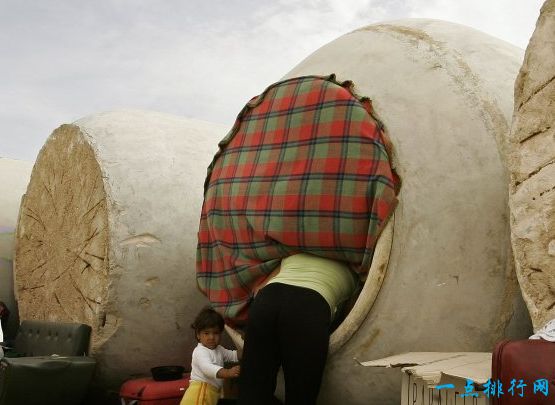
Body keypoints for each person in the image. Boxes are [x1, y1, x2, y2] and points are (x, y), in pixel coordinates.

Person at [237, 253, 358, 405]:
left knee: (252, 394)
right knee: (300, 397)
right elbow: (352, 317)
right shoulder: (355, 266)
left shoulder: (293, 252)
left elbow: (258, 289)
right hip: (309, 307)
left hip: (267, 300)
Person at [181, 306, 240, 405]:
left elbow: (233, 355)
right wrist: (228, 372)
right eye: (206, 333)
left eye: (216, 333)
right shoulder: (200, 351)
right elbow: (207, 368)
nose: (211, 337)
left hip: (211, 392)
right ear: (198, 335)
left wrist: (246, 350)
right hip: (201, 390)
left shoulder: (219, 349)